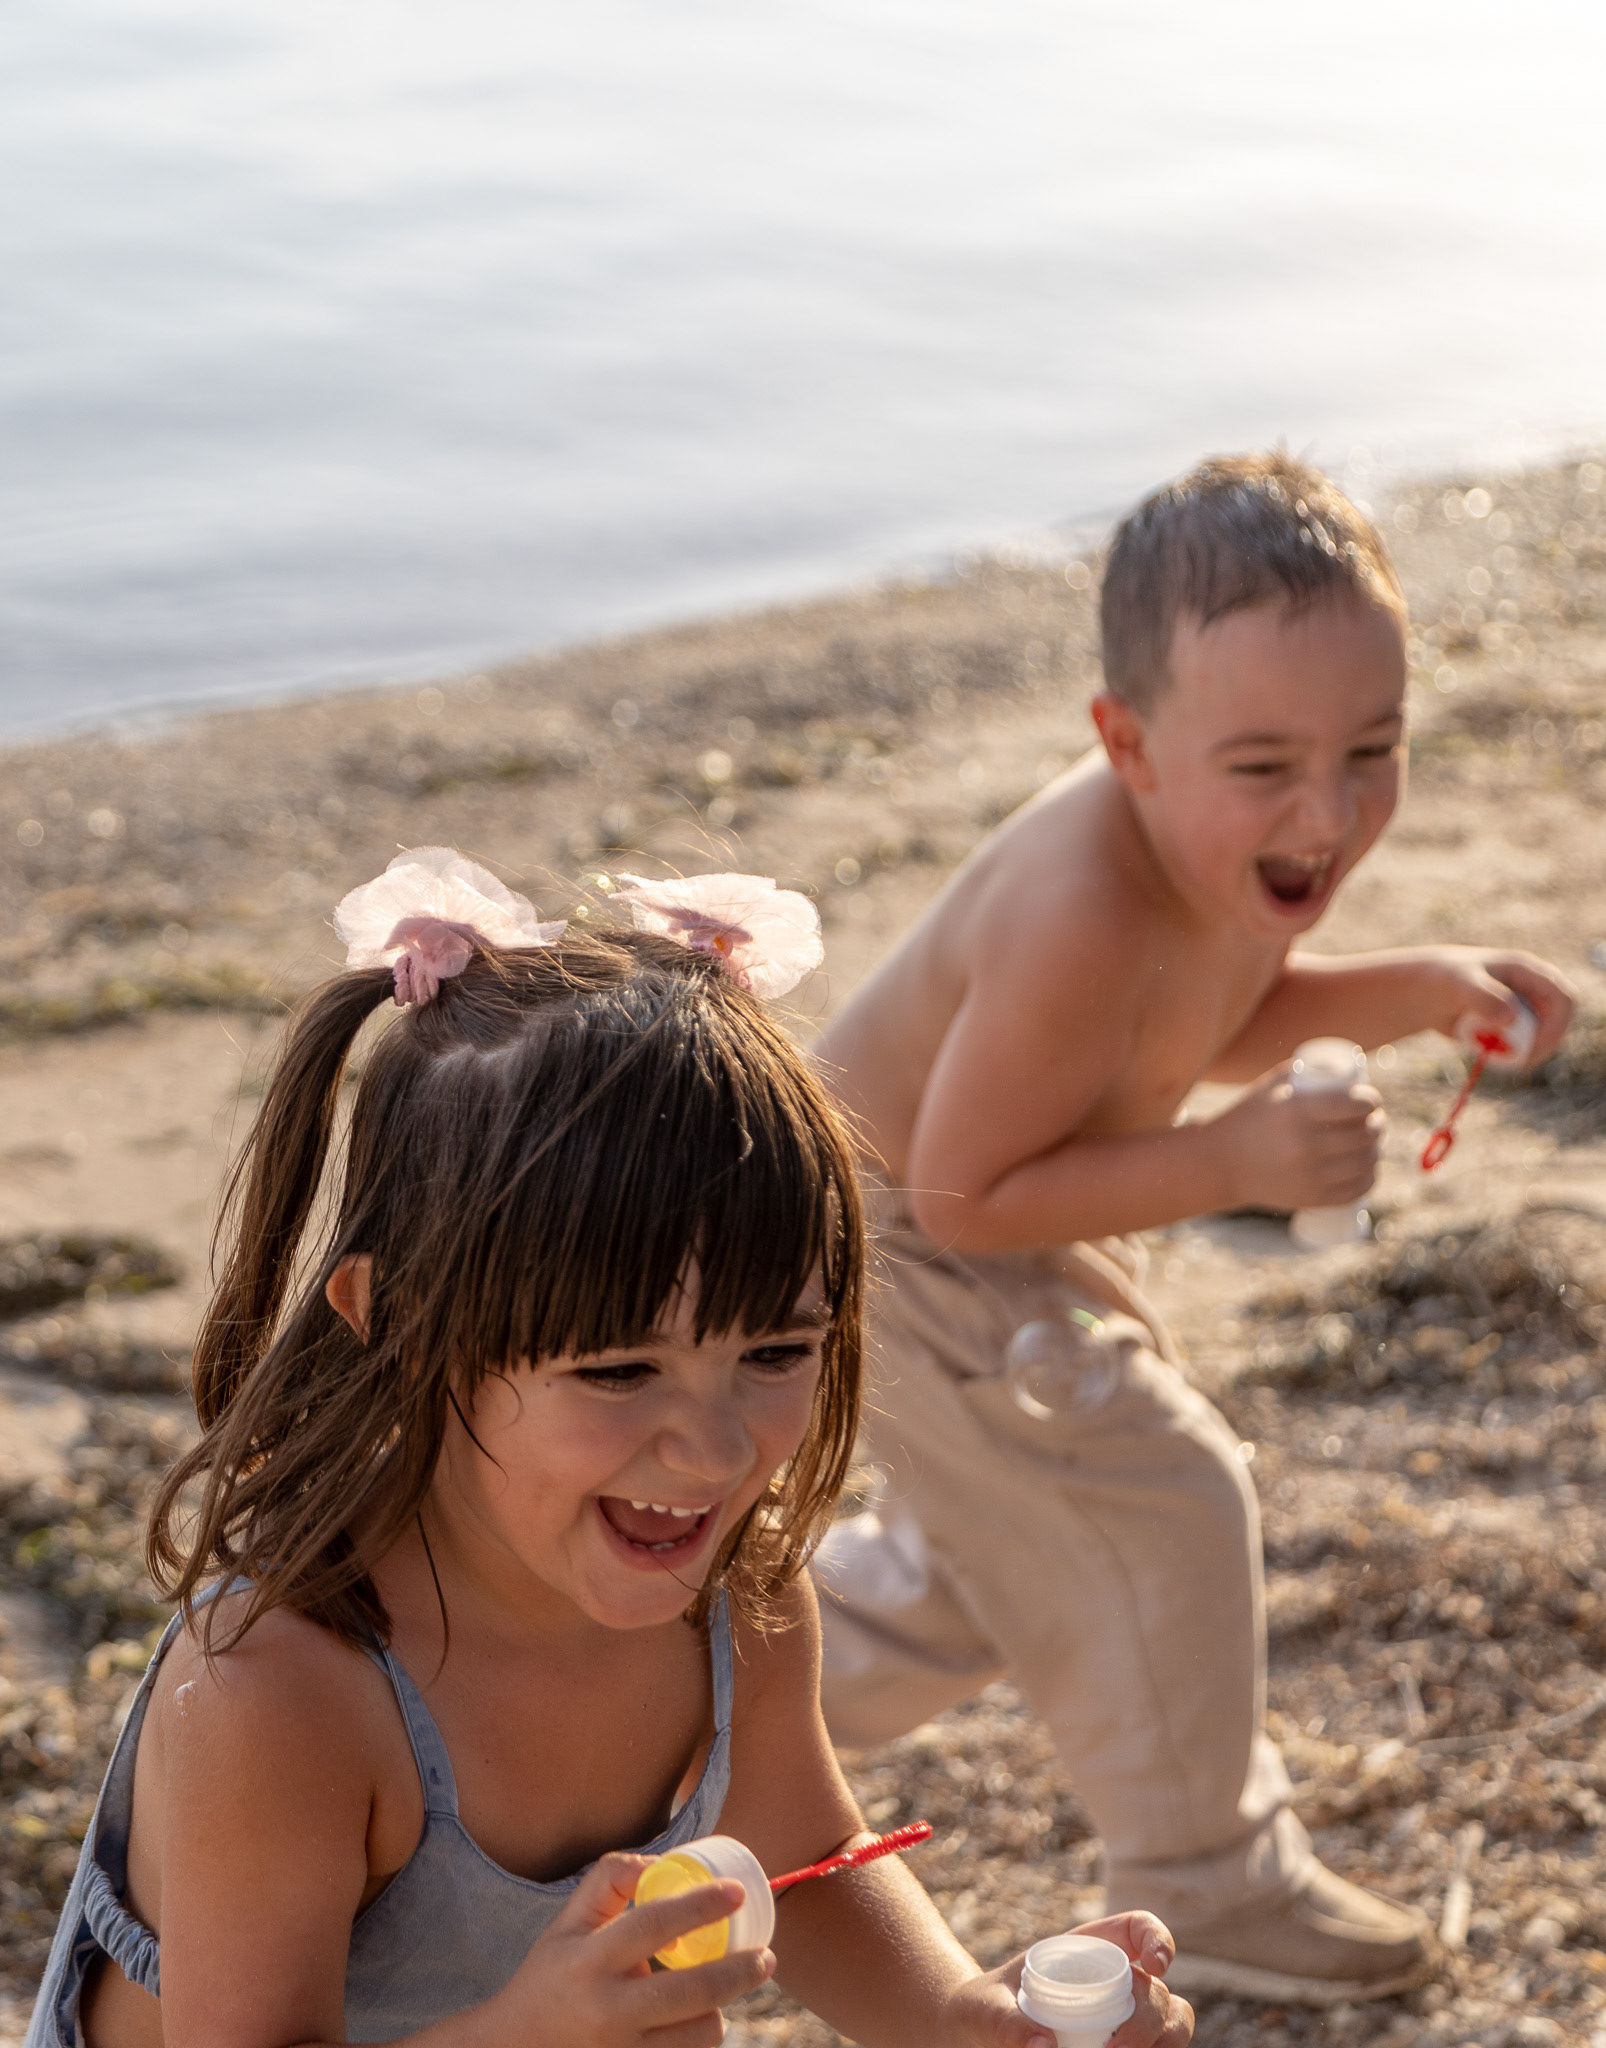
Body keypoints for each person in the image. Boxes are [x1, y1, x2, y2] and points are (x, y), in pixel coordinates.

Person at [26, 848, 1193, 2048]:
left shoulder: (733, 1594)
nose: (712, 1450)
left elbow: (804, 1855)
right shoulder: (282, 1687)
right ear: (402, 1322)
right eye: (619, 1370)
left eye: (774, 1350)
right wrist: (529, 2032)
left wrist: (956, 2012)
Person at [810, 454, 1578, 2007]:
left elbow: (1216, 1014)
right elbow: (961, 1190)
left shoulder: (1201, 842)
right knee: (1163, 1498)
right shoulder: (1079, 909)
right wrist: (1233, 1161)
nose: (1328, 813)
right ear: (1126, 744)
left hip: (965, 1242)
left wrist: (1423, 987)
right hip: (909, 1252)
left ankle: (665, 1723)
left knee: (979, 1575)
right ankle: (1207, 1883)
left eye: (1373, 750)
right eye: (1267, 765)